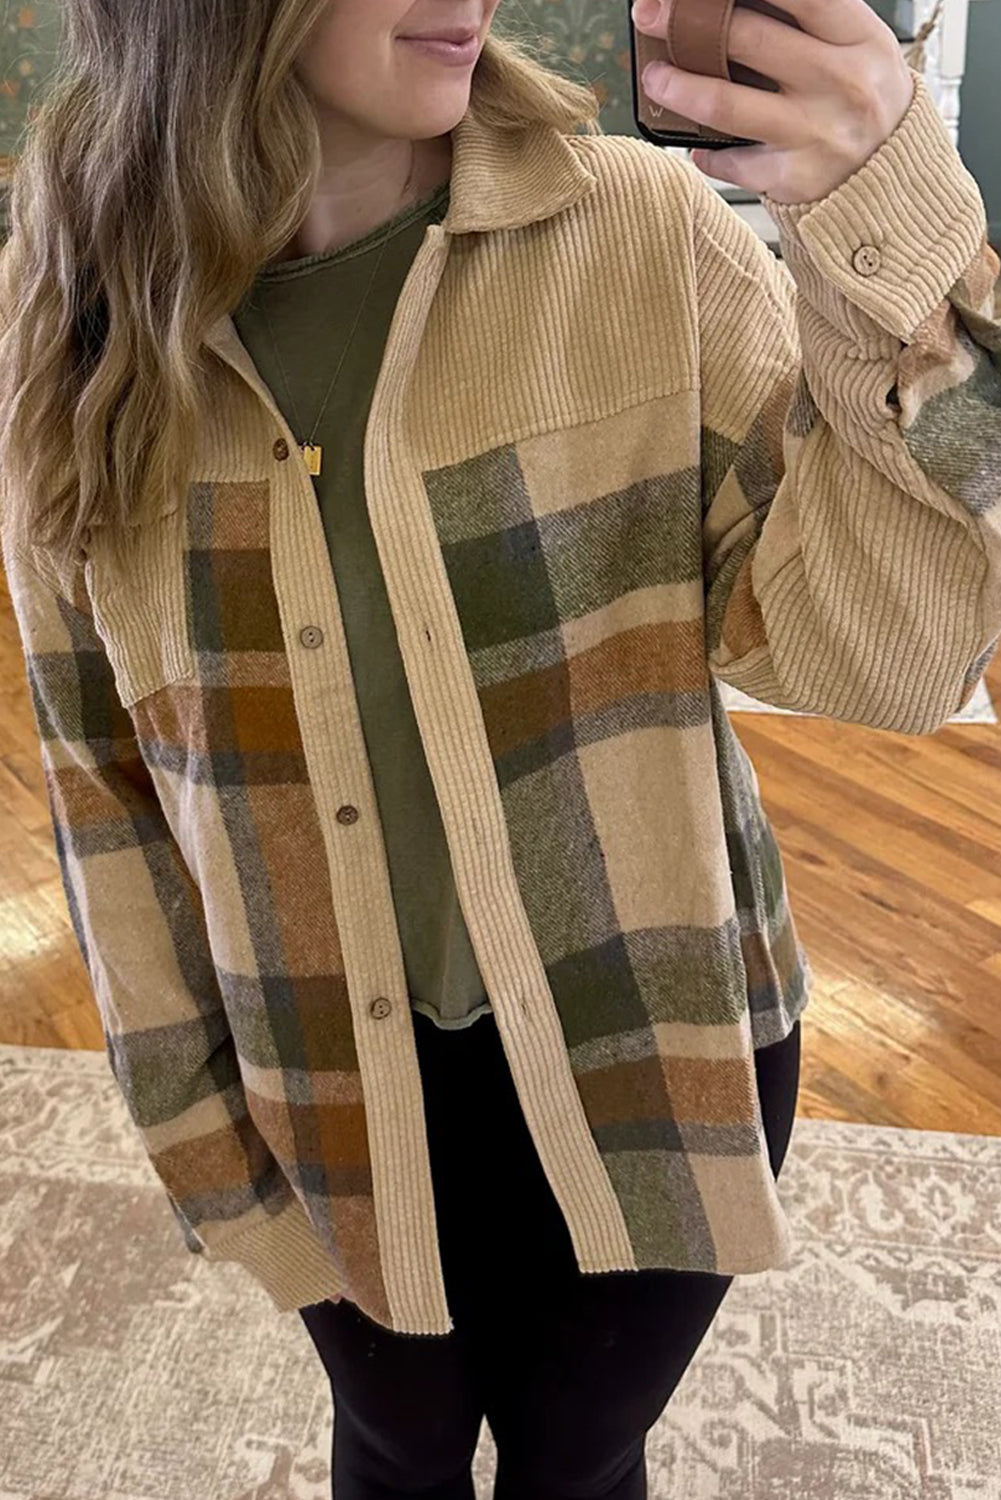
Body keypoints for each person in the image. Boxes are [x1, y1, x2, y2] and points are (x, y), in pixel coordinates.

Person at [1, 2, 997, 1498]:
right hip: (324, 1080)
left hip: (654, 1040)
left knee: (580, 1460)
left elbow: (884, 663)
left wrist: (892, 246)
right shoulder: (71, 304)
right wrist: (204, 1140)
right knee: (395, 1449)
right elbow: (106, 793)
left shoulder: (644, 236)